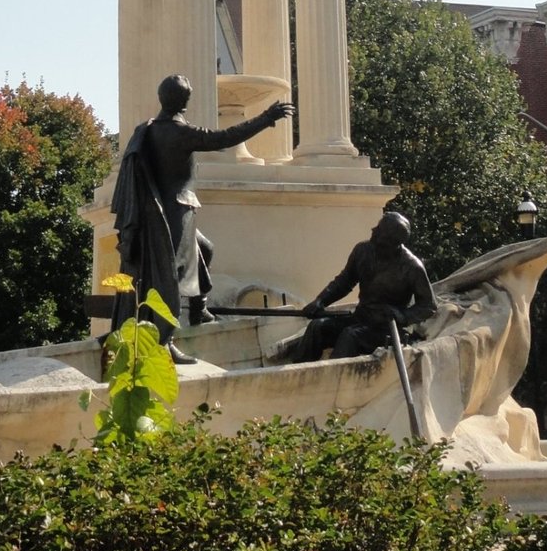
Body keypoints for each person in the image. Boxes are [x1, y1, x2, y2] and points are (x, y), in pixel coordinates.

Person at [110, 73, 294, 360]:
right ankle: (164, 343)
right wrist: (265, 117)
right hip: (175, 211)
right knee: (171, 278)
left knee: (204, 250)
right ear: (185, 101)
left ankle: (199, 309)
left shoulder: (145, 130)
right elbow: (224, 138)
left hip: (157, 213)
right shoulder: (180, 133)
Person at [274, 211, 437, 364]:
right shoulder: (362, 251)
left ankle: (331, 380)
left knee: (350, 336)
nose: (373, 229)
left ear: (390, 241)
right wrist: (321, 301)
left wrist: (402, 315)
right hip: (361, 318)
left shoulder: (411, 267)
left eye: (379, 229)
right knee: (318, 327)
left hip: (385, 328)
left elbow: (428, 306)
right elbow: (344, 281)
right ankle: (298, 372)